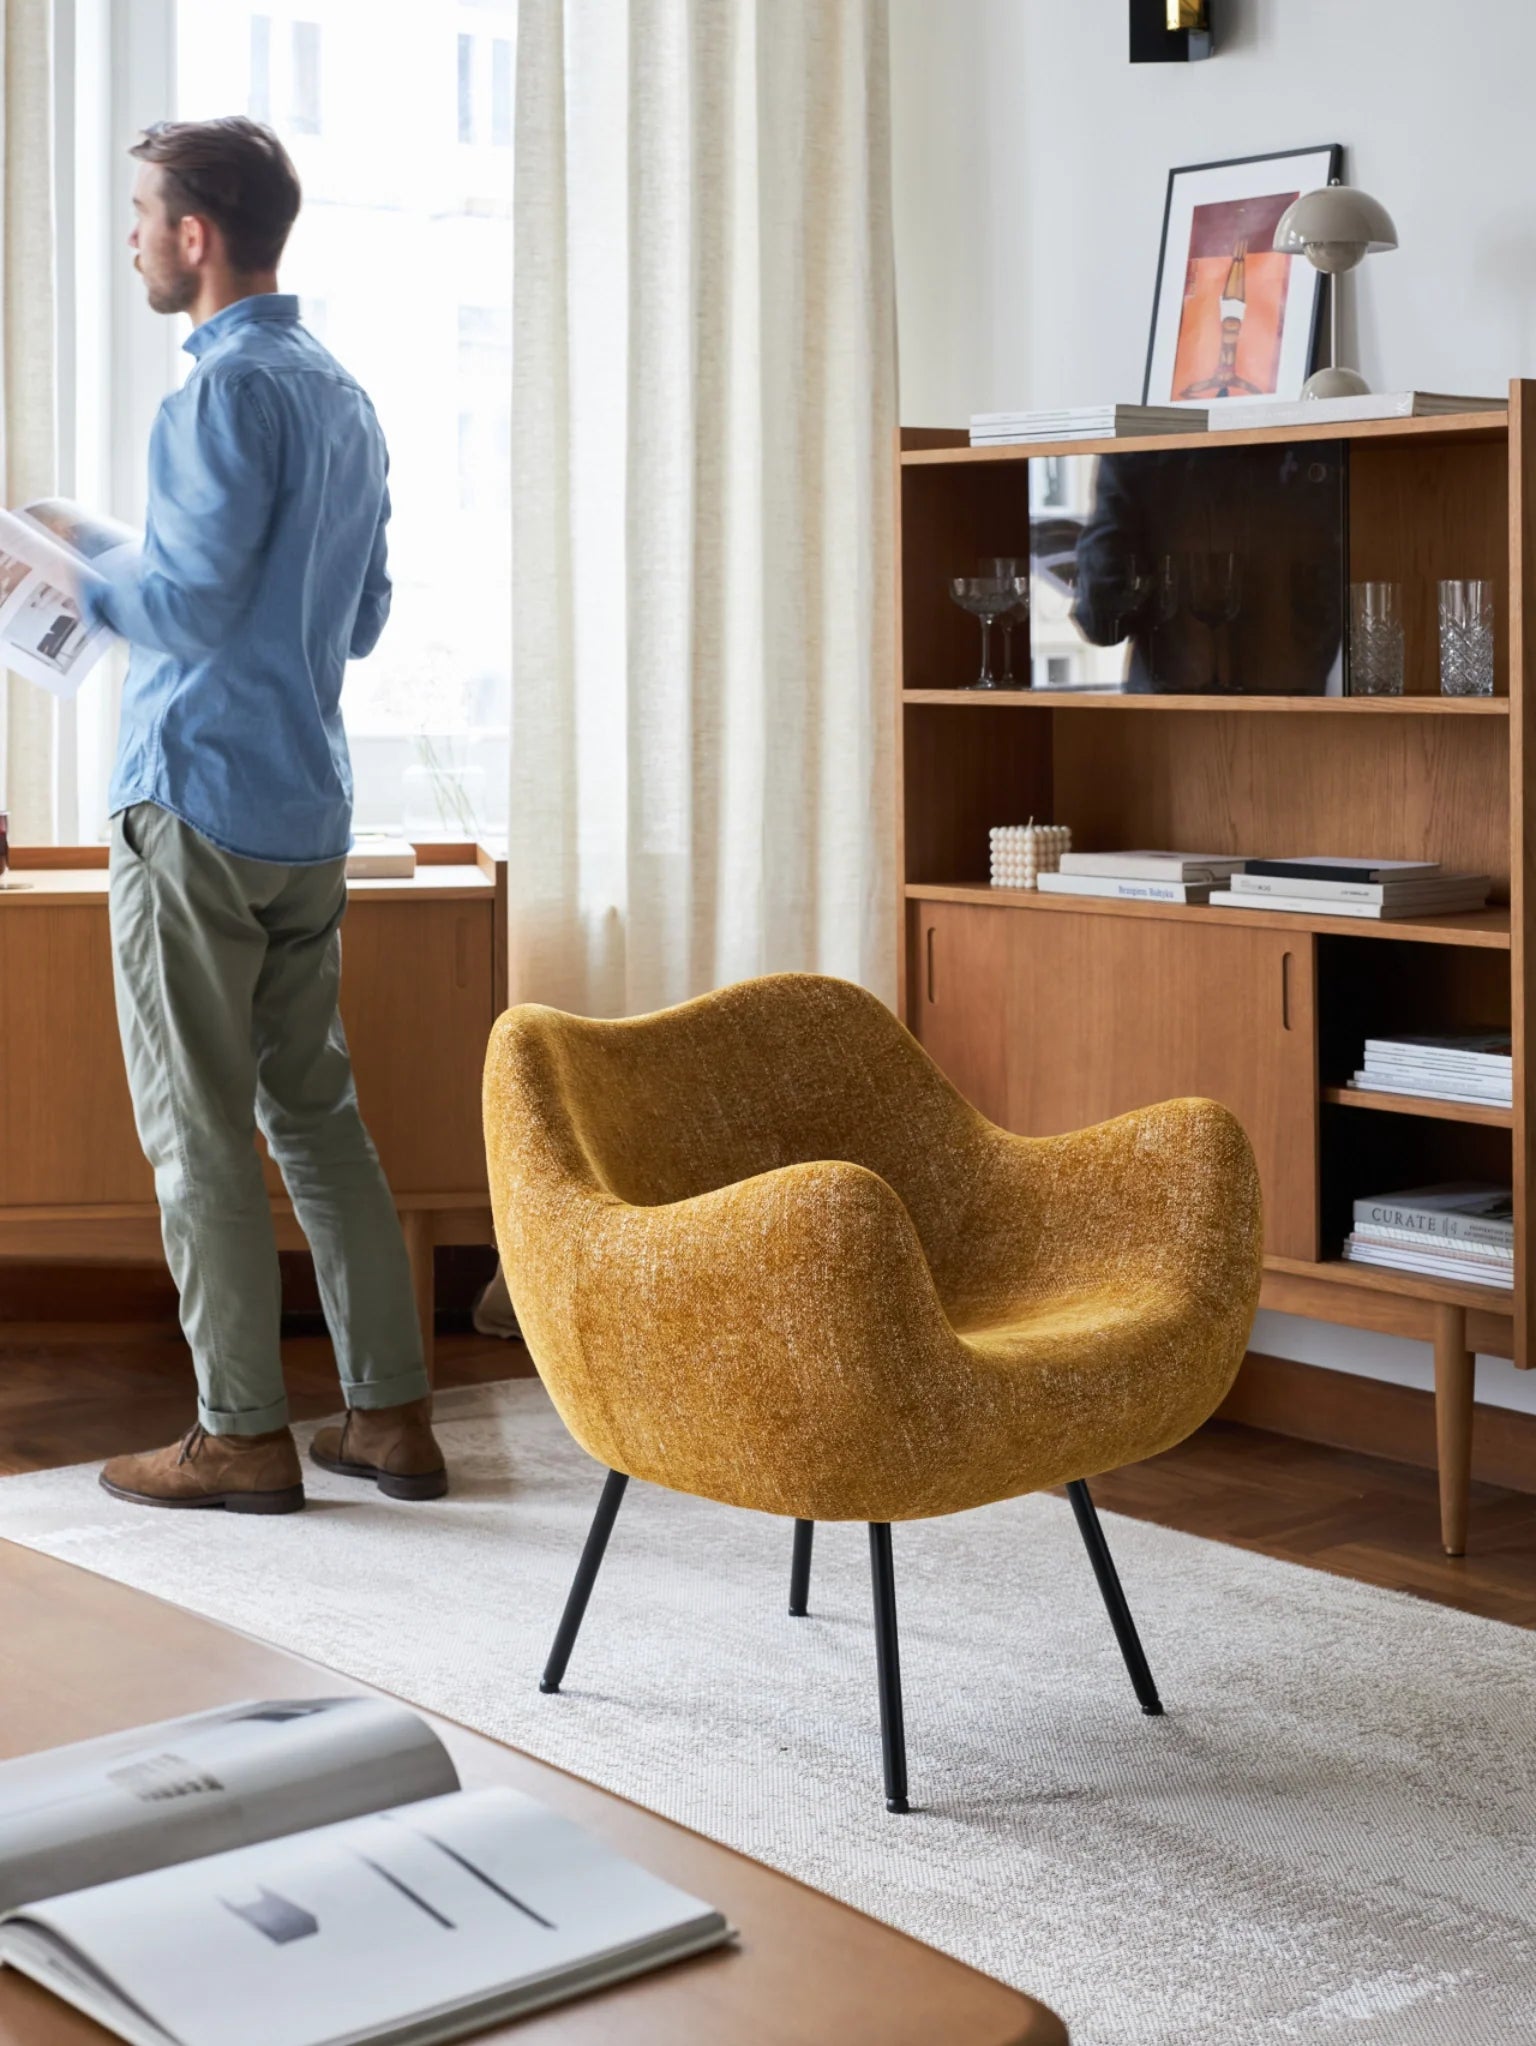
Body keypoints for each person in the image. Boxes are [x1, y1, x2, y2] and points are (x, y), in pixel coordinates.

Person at [76, 117, 446, 1513]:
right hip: (304, 809)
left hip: (194, 800)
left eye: (142, 214)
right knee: (316, 1118)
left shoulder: (216, 398)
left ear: (194, 236)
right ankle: (391, 1417)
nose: (130, 238)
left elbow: (185, 604)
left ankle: (237, 1432)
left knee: (197, 1130)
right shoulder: (343, 396)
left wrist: (76, 574)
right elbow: (361, 616)